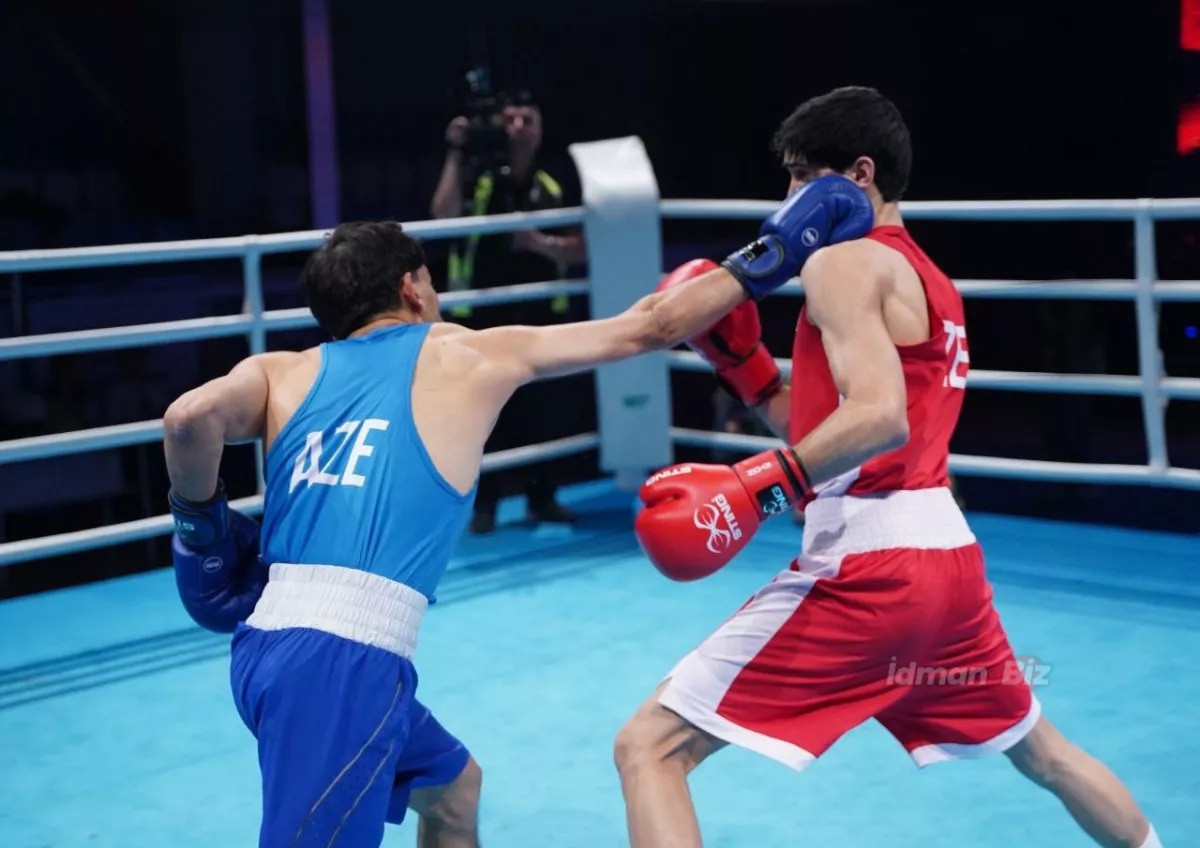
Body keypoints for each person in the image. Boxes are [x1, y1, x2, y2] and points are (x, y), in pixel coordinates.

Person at [162, 170, 872, 848]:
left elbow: (189, 420)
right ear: (411, 289)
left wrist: (201, 530)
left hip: (264, 646)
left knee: (453, 789)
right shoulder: (459, 353)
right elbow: (648, 327)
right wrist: (776, 251)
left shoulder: (280, 370)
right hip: (341, 665)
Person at [619, 86, 1163, 848]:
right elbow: (842, 428)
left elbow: (879, 419)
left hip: (872, 569)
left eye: (802, 174)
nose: (788, 197)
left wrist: (754, 492)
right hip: (949, 565)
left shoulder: (841, 263)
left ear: (860, 175)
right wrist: (749, 373)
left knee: (649, 747)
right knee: (1045, 754)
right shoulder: (935, 283)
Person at [429, 89, 589, 533]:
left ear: (540, 129)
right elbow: (441, 216)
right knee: (482, 414)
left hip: (540, 316)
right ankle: (484, 506)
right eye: (509, 120)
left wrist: (540, 243)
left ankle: (543, 498)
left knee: (543, 411)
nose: (518, 128)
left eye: (527, 120)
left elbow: (583, 247)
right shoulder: (476, 177)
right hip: (480, 316)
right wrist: (456, 151)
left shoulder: (555, 183)